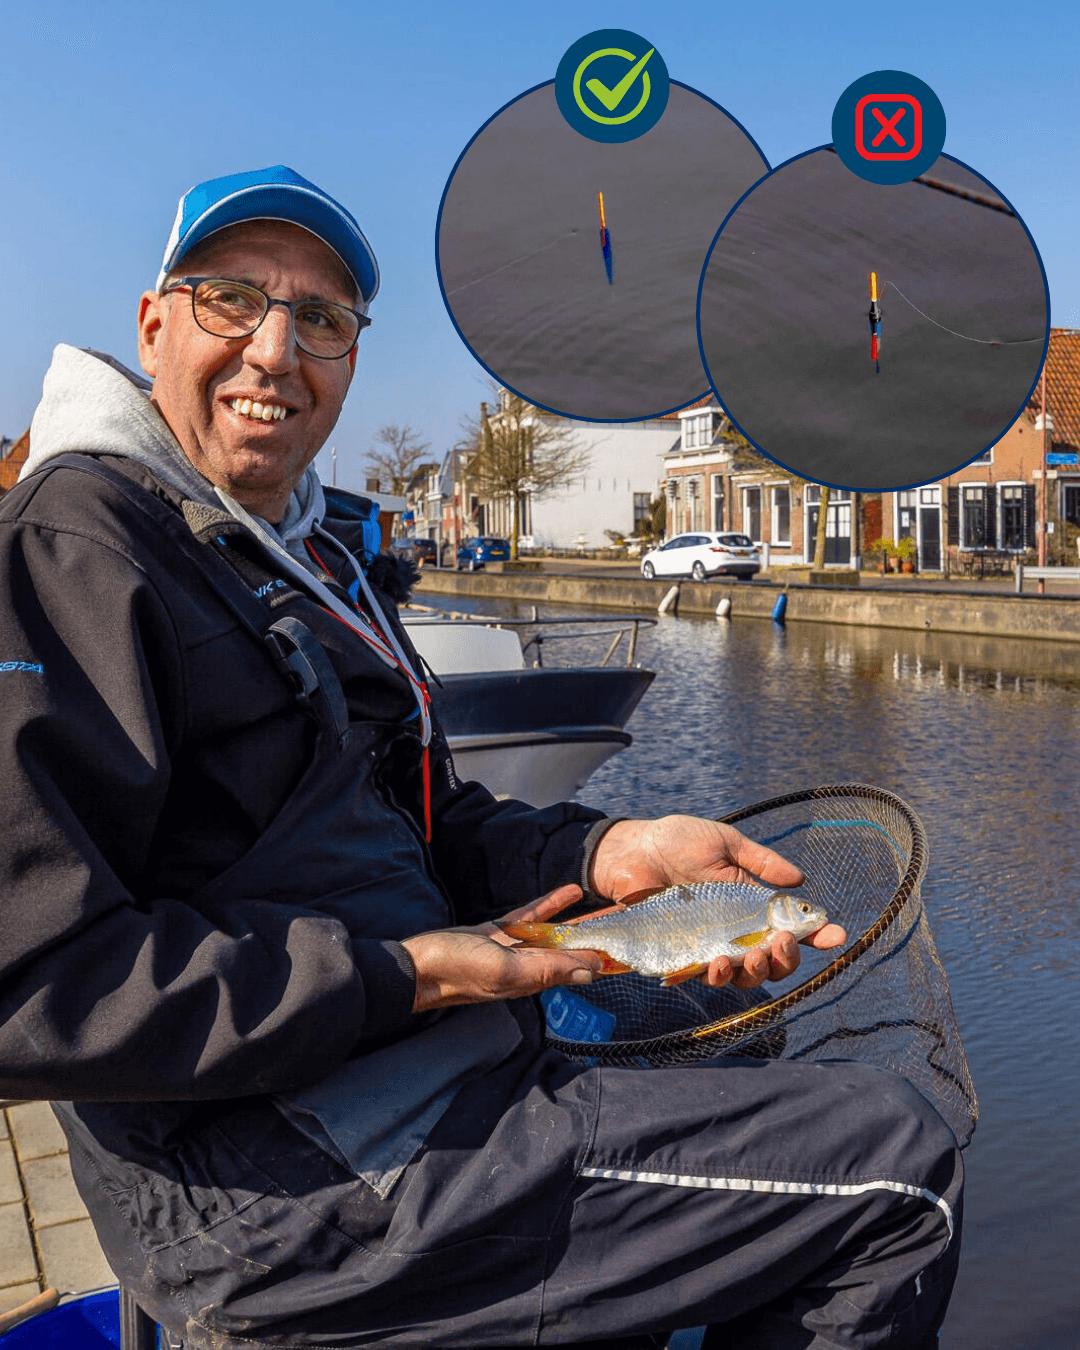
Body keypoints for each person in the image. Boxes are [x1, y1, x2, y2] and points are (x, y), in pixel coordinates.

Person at [0, 166, 962, 1350]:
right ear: (155, 324)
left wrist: (611, 850)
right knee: (895, 1170)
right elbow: (32, 986)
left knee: (735, 1048)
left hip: (393, 1085)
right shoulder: (76, 545)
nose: (274, 350)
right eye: (233, 299)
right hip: (280, 1182)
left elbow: (427, 822)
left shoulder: (299, 557)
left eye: (322, 320)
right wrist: (410, 976)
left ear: (351, 357)